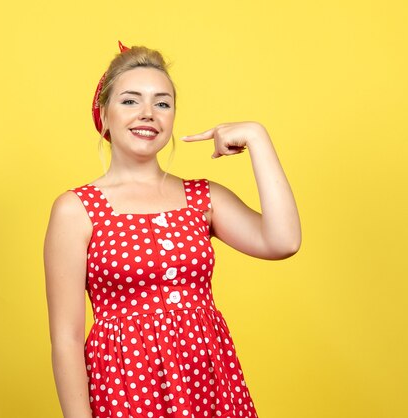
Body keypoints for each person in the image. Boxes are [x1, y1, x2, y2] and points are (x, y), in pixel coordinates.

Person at [44, 41, 301, 418]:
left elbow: (283, 241)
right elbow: (66, 339)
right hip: (126, 390)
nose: (148, 113)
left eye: (162, 103)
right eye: (130, 101)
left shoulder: (203, 198)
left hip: (209, 387)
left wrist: (258, 138)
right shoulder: (76, 209)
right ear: (104, 114)